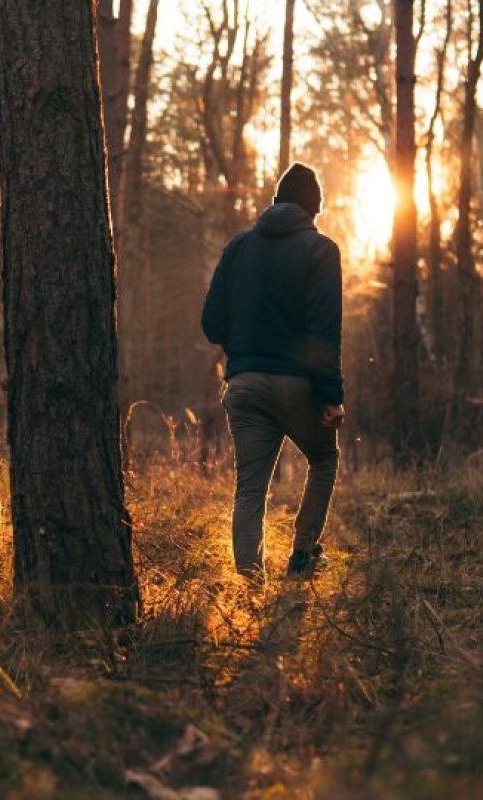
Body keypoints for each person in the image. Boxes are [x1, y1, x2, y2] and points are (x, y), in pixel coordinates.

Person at [201, 162, 344, 580]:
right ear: (314, 209)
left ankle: (247, 586)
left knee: (249, 488)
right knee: (324, 458)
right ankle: (302, 558)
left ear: (276, 201)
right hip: (299, 386)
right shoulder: (321, 250)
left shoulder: (238, 247)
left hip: (244, 385)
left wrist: (243, 355)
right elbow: (323, 331)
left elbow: (212, 322)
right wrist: (331, 394)